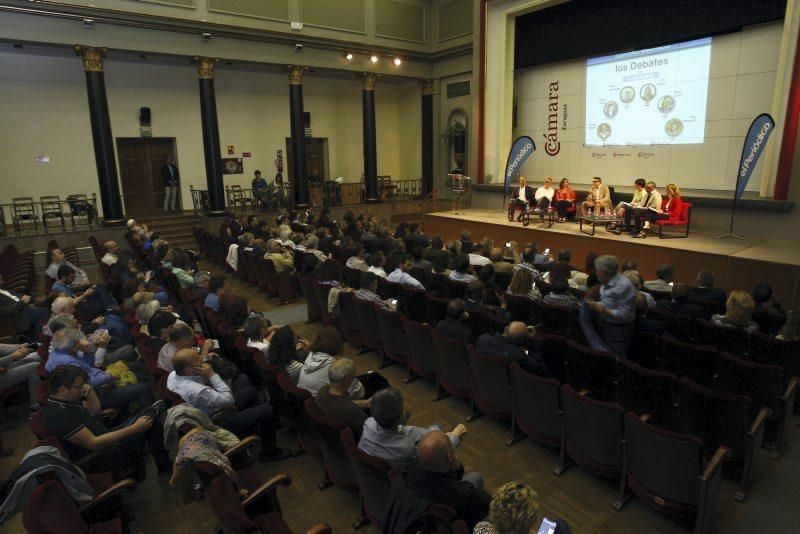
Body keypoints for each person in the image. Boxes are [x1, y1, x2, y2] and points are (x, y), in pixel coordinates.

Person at [40, 365, 172, 478]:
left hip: (107, 436)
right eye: (79, 387)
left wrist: (90, 392)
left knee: (150, 413)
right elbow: (94, 443)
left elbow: (95, 411)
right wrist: (134, 429)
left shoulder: (67, 400)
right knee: (151, 417)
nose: (82, 389)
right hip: (105, 454)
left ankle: (163, 466)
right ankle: (164, 468)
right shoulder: (59, 415)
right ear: (63, 389)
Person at [168, 348, 290, 462]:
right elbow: (228, 399)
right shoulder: (197, 391)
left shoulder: (173, 375)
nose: (202, 359)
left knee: (250, 391)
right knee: (267, 410)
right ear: (190, 370)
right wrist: (212, 375)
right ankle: (269, 453)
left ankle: (253, 432)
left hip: (208, 409)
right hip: (217, 421)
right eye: (198, 359)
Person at [46, 328, 154, 411]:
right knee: (144, 387)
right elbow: (90, 383)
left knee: (139, 368)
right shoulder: (68, 361)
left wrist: (88, 351)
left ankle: (137, 407)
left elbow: (89, 367)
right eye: (77, 340)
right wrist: (110, 376)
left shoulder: (61, 350)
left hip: (99, 377)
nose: (80, 341)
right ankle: (149, 417)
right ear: (72, 345)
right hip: (96, 394)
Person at [359, 388, 467, 470]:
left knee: (435, 429)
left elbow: (400, 429)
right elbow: (434, 458)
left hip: (375, 470)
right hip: (408, 476)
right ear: (400, 418)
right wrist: (454, 436)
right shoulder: (408, 448)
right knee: (437, 429)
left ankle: (441, 435)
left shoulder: (369, 423)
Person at [404, 430, 491, 530]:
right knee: (477, 478)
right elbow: (489, 505)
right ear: (450, 457)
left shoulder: (412, 466)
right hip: (462, 523)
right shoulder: (467, 494)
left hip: (429, 516)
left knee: (475, 477)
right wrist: (456, 465)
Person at [579, 255, 637, 357]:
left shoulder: (624, 286)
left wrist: (601, 309)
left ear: (605, 272)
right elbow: (609, 302)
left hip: (619, 332)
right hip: (606, 326)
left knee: (614, 362)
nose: (596, 272)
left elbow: (623, 315)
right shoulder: (606, 281)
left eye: (598, 270)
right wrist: (595, 305)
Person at [297, 326, 365, 398]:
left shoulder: (310, 356)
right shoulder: (335, 367)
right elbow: (358, 393)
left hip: (310, 401)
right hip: (327, 405)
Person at [315, 358, 369, 439]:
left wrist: (367, 402)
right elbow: (367, 432)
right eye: (353, 377)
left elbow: (345, 403)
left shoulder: (322, 391)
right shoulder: (353, 412)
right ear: (347, 378)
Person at [476, 322, 552, 377]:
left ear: (505, 328)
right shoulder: (518, 353)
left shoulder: (482, 339)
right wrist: (534, 343)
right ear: (520, 341)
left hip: (485, 376)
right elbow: (536, 366)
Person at [0, 343, 41, 412]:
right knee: (36, 367)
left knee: (33, 359)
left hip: (3, 367)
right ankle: (35, 407)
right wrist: (12, 356)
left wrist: (19, 347)